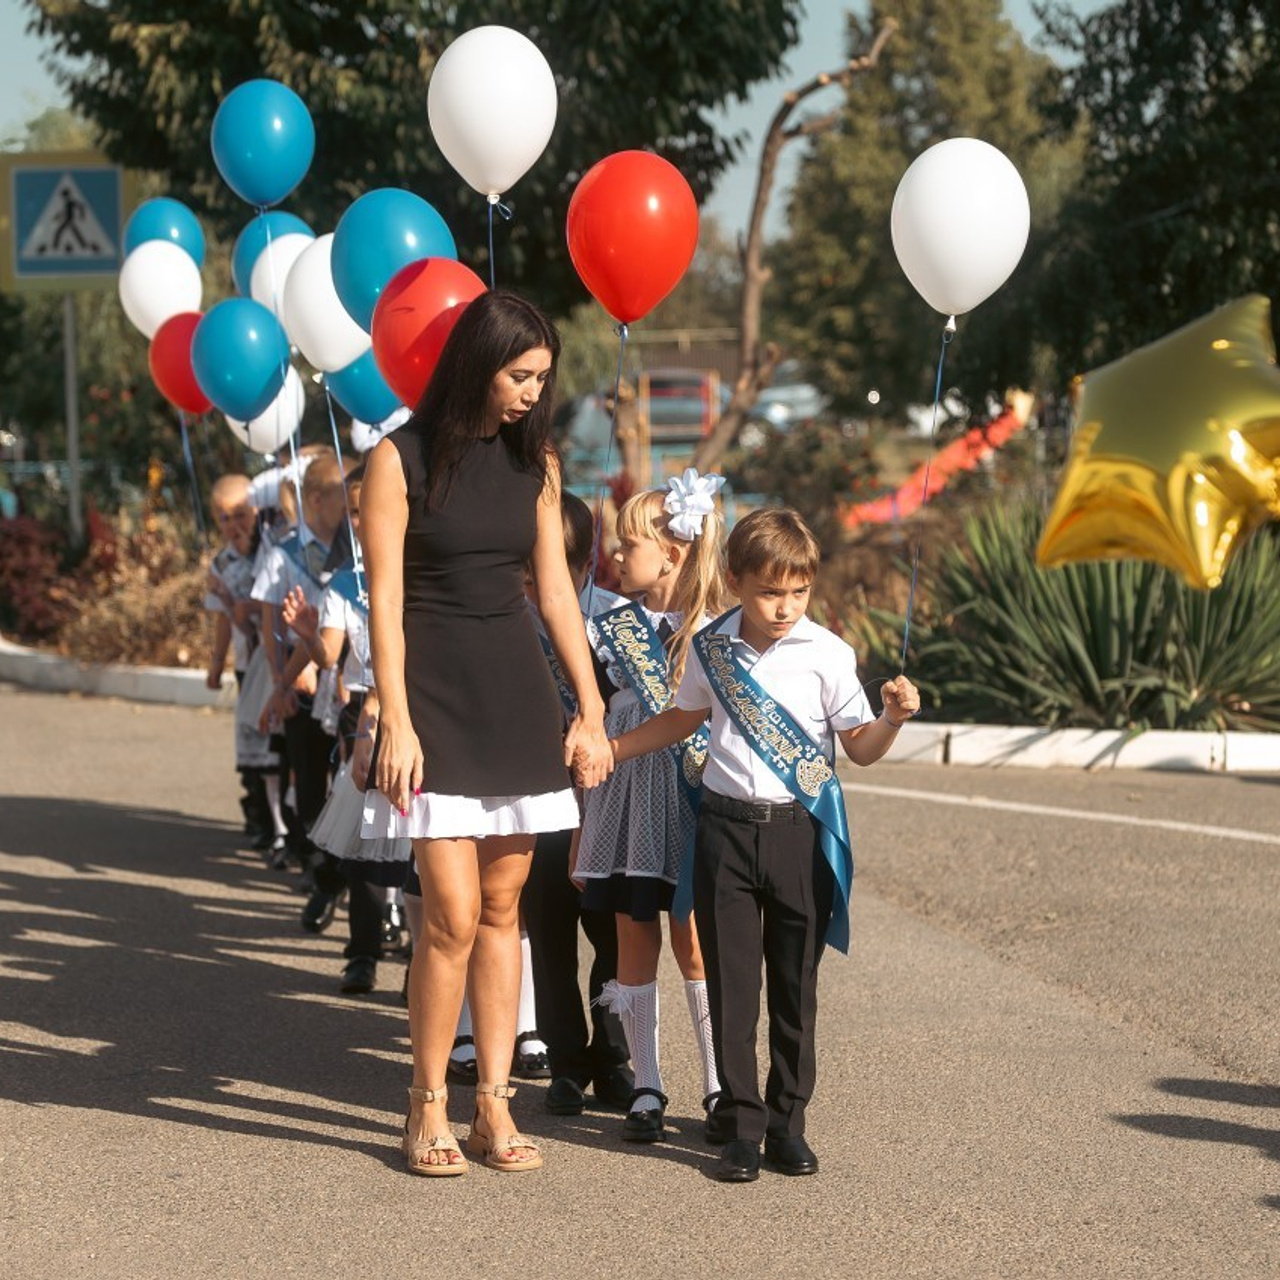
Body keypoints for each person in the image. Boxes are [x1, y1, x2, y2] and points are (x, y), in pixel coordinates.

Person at [360, 290, 613, 1177]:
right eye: (519, 375)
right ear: (478, 362)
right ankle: (424, 1103)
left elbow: (555, 596)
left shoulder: (535, 463)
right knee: (452, 916)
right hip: (432, 699)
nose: (530, 394)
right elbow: (382, 601)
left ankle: (492, 1106)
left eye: (541, 379)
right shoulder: (397, 459)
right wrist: (393, 715)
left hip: (514, 696)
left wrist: (589, 706)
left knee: (505, 910)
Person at [600, 507, 921, 1183]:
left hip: (797, 834)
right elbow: (683, 718)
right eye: (772, 592)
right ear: (737, 580)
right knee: (733, 990)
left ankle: (787, 1126)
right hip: (723, 831)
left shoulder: (829, 654)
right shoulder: (713, 647)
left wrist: (891, 717)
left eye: (799, 592)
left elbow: (859, 749)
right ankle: (741, 1128)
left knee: (794, 992)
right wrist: (614, 749)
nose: (785, 607)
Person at [572, 471, 730, 1144]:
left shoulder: (718, 629)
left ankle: (720, 1084)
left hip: (689, 803)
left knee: (692, 940)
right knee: (634, 936)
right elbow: (594, 713)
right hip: (626, 803)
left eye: (628, 543)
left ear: (671, 551)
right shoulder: (611, 629)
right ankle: (647, 1085)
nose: (616, 555)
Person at [520, 490, 633, 1116]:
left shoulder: (619, 621)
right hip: (541, 798)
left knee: (611, 933)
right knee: (550, 930)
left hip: (610, 801)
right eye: (530, 574)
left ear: (589, 566)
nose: (539, 589)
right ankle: (566, 1060)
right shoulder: (510, 624)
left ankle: (614, 1056)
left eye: (558, 573)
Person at [254, 450, 353, 929]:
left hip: (347, 682)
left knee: (351, 789)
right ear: (317, 498)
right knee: (311, 787)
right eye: (343, 494)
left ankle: (346, 878)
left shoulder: (358, 548)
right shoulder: (283, 550)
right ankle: (321, 874)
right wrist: (282, 681)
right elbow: (270, 621)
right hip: (302, 678)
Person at [203, 473, 276, 850]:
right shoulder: (222, 564)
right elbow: (223, 621)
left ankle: (282, 823)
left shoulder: (272, 552)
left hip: (277, 661)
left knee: (274, 743)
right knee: (249, 736)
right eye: (224, 518)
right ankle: (258, 814)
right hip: (249, 663)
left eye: (241, 514)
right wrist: (217, 663)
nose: (234, 525)